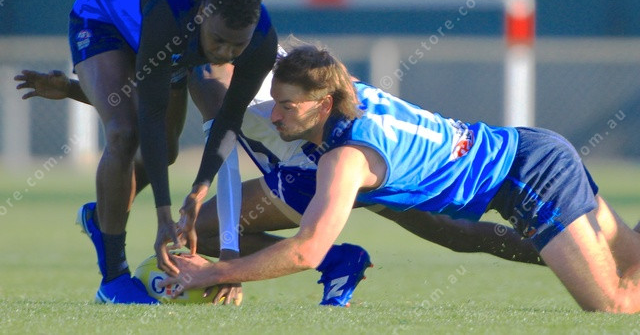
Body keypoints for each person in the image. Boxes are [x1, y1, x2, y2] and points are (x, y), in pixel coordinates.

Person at [161, 38, 640, 313]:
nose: (274, 116)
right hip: (527, 150)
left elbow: (308, 251)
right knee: (632, 259)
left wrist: (219, 270)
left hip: (529, 174)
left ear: (323, 104)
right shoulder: (346, 93)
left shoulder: (344, 159)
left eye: (286, 106)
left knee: (613, 304)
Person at [15, 63, 542, 306]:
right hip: (328, 155)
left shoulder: (219, 72)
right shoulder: (215, 49)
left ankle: (336, 260)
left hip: (317, 165)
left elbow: (221, 150)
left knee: (200, 231)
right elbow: (151, 107)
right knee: (454, 233)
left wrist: (226, 258)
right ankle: (563, 248)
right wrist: (76, 89)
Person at [60, 0, 278, 303]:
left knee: (167, 150)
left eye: (237, 45)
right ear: (203, 13)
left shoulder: (262, 39)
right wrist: (163, 215)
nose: (225, 53)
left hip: (168, 32)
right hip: (102, 15)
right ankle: (113, 279)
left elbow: (228, 119)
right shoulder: (167, 14)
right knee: (124, 132)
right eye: (218, 40)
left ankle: (100, 214)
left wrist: (198, 192)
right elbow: (149, 113)